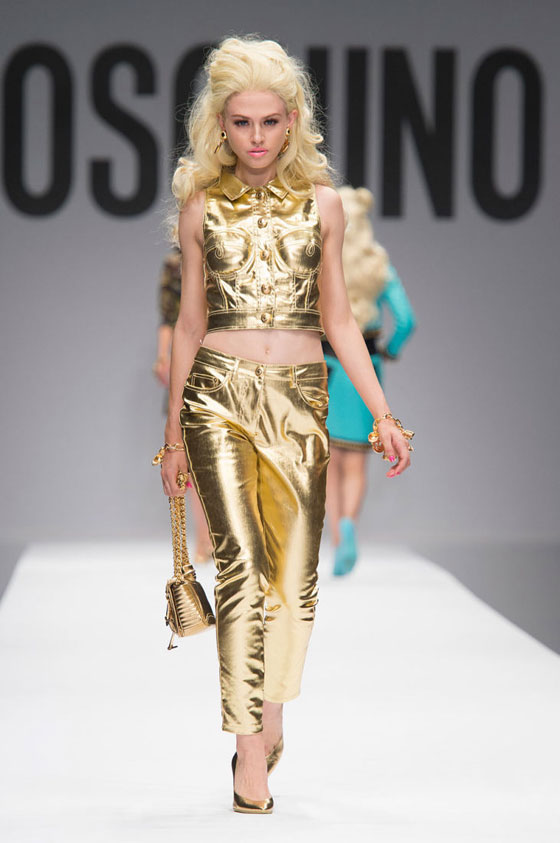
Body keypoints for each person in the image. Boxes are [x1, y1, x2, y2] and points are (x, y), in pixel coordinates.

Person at [158, 35, 413, 814]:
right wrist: (171, 438)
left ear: (294, 120)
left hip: (300, 397)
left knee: (295, 584)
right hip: (218, 398)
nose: (257, 137)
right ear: (220, 124)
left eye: (271, 121)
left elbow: (339, 318)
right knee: (239, 567)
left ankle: (269, 710)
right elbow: (191, 322)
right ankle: (247, 752)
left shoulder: (323, 206)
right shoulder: (201, 207)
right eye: (242, 122)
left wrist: (382, 412)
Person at [322, 186, 416, 575]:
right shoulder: (378, 266)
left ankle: (337, 540)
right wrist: (389, 349)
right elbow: (406, 319)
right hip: (366, 369)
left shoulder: (323, 262)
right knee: (357, 462)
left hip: (327, 367)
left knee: (328, 460)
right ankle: (349, 525)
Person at [152, 246, 213, 563]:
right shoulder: (175, 264)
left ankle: (215, 539)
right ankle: (204, 538)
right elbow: (169, 317)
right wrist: (163, 357)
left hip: (228, 360)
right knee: (191, 456)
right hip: (188, 363)